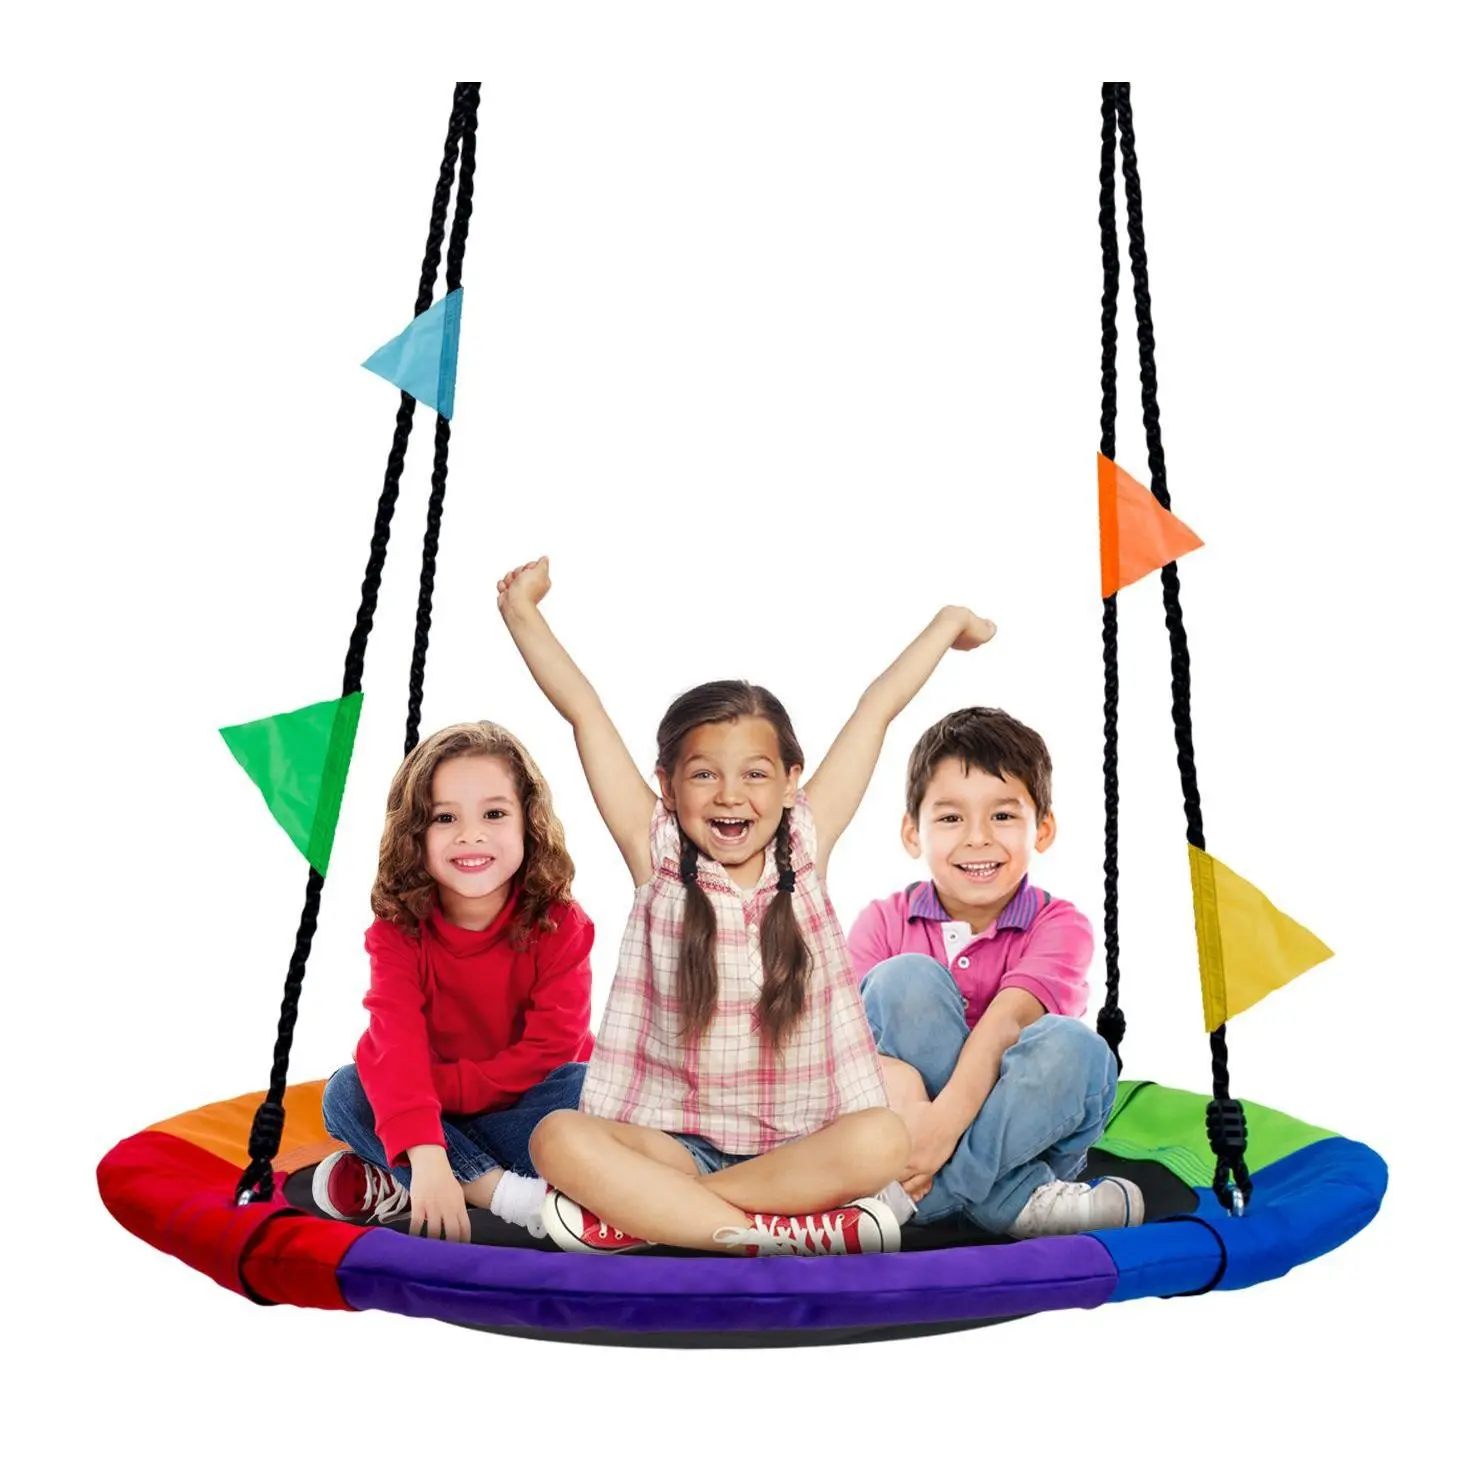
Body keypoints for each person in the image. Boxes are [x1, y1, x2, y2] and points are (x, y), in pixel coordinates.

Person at [498, 556, 995, 1256]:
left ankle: (663, 1215)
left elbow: (876, 710)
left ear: (791, 782)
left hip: (803, 1150)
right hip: (673, 1145)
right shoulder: (656, 853)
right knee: (556, 1138)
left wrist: (946, 627)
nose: (730, 795)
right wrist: (521, 612)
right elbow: (586, 714)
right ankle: (767, 1232)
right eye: (704, 774)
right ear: (667, 786)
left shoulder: (807, 845)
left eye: (755, 774)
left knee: (884, 1137)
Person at [848, 706, 1143, 1238]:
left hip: (1016, 1136)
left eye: (1003, 816)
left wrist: (939, 1135)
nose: (978, 838)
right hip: (910, 1136)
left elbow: (1006, 1025)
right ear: (913, 832)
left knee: (1078, 1049)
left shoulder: (1060, 925)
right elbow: (851, 1053)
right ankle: (1013, 1201)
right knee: (903, 980)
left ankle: (912, 1202)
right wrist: (917, 1113)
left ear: (1042, 829)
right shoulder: (882, 922)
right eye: (951, 818)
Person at [313, 720, 595, 1242]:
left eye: (494, 814)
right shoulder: (397, 932)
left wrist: (431, 1104)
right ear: (415, 834)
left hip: (528, 1105)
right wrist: (425, 1140)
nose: (471, 834)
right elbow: (394, 1043)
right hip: (429, 1108)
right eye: (445, 817)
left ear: (528, 823)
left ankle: (405, 1174)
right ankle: (503, 1195)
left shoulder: (561, 923)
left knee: (591, 1090)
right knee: (347, 1092)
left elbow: (551, 1051)